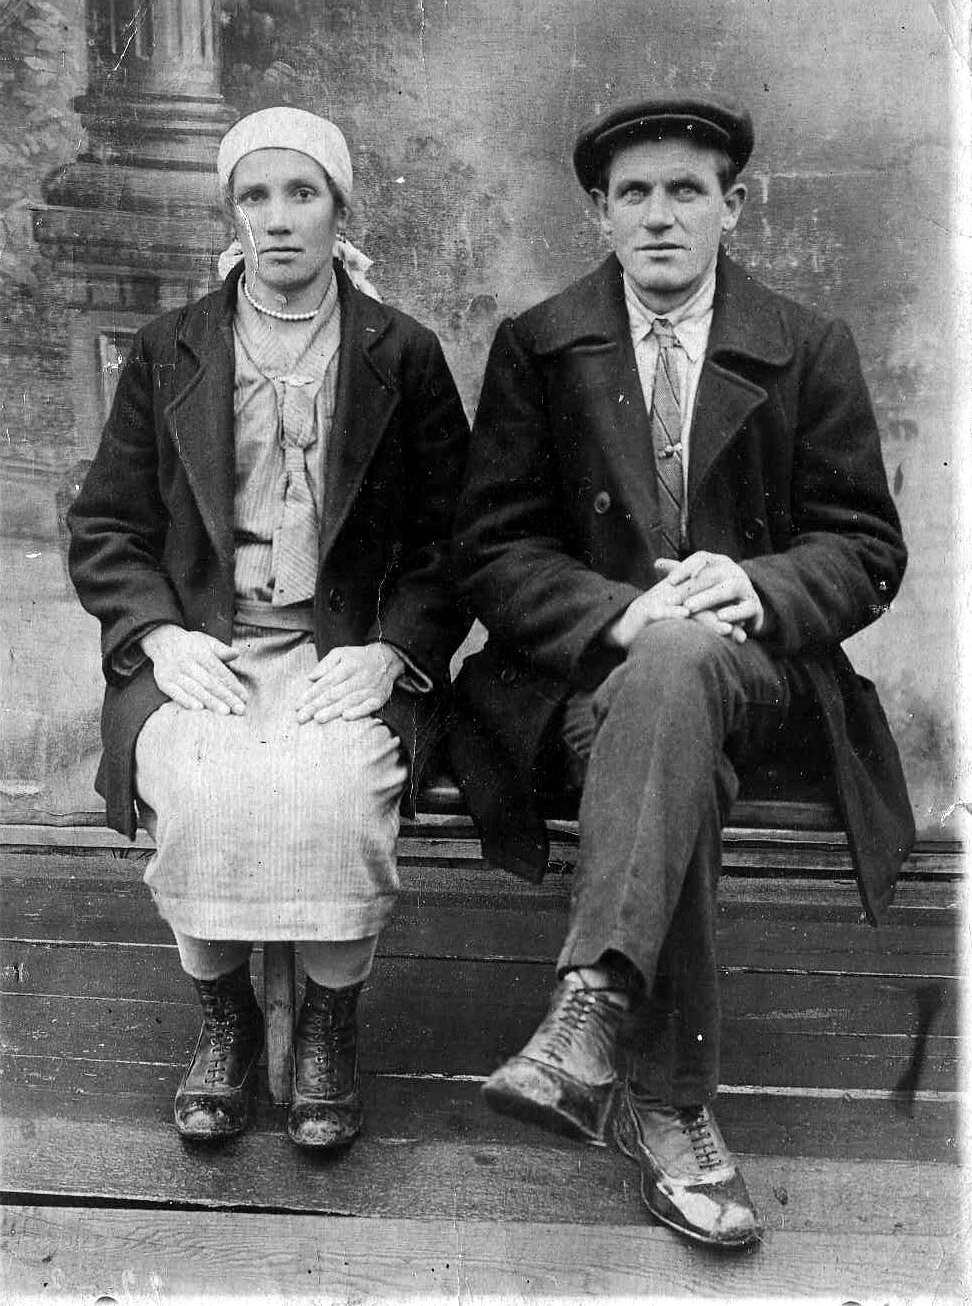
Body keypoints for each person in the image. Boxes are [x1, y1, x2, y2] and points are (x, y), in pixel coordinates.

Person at [450, 95, 913, 1247]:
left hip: (762, 682)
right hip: (586, 687)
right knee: (672, 728)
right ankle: (670, 1104)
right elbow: (492, 552)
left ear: (733, 206)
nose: (660, 215)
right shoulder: (540, 345)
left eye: (687, 191)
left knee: (688, 663)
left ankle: (589, 1010)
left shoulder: (806, 344)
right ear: (599, 214)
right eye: (635, 194)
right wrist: (622, 613)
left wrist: (758, 586)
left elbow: (866, 546)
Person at [68, 107, 469, 1151]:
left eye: (303, 194)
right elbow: (107, 525)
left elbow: (451, 538)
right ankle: (228, 1019)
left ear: (340, 209)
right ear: (232, 213)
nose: (279, 219)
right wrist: (160, 638)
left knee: (336, 793)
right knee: (199, 784)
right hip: (210, 642)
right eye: (256, 195)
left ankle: (331, 1024)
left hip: (342, 649)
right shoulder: (171, 350)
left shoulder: (400, 353)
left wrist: (392, 652)